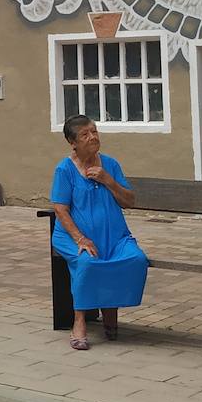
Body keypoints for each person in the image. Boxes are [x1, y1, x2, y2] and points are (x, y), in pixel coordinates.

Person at [49, 115, 149, 350]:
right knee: (88, 263)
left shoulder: (111, 164)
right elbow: (60, 209)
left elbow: (130, 201)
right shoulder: (65, 169)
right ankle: (80, 321)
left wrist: (109, 181)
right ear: (72, 142)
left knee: (135, 259)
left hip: (114, 236)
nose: (93, 137)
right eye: (85, 134)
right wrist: (80, 238)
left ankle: (110, 310)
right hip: (74, 236)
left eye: (94, 131)